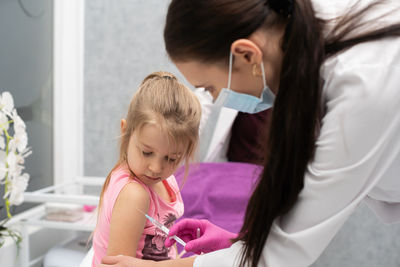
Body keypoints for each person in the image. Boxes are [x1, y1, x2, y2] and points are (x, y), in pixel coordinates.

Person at [98, 0, 400, 266]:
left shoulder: (365, 86)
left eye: (209, 88)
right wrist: (238, 244)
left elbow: (281, 254)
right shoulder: (301, 27)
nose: (214, 100)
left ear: (246, 55)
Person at [92, 71, 201, 266]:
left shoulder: (167, 181)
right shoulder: (134, 194)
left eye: (171, 158)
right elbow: (117, 265)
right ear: (125, 131)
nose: (156, 168)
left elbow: (168, 243)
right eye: (147, 152)